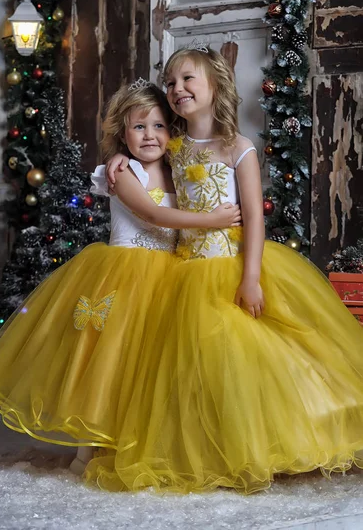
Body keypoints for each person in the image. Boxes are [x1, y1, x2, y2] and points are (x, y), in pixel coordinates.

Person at [87, 44, 363, 494]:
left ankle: (264, 441)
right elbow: (144, 169)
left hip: (229, 265)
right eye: (171, 82)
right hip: (181, 272)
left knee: (245, 357)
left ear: (216, 84)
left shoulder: (238, 146)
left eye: (188, 79)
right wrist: (120, 157)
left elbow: (254, 215)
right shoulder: (171, 146)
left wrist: (250, 277)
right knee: (183, 365)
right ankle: (198, 446)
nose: (177, 89)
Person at [0, 80, 240, 475]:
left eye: (160, 126)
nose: (150, 135)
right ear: (122, 133)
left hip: (171, 277)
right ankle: (88, 447)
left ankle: (147, 443)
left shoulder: (177, 169)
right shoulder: (122, 170)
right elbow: (153, 214)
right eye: (139, 127)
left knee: (150, 367)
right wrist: (210, 219)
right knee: (108, 365)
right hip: (125, 275)